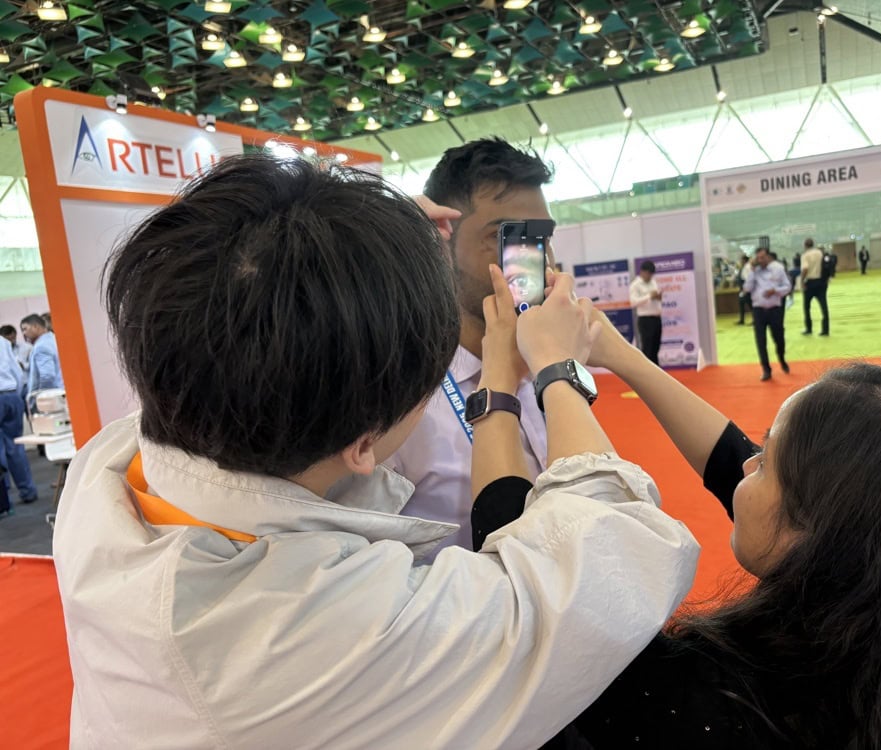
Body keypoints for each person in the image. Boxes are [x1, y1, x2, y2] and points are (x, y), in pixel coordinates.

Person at [53, 155, 700, 749]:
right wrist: (558, 366)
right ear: (366, 444)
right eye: (500, 235)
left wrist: (356, 249)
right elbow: (616, 554)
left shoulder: (110, 465)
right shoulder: (328, 632)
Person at [473, 310, 881, 747]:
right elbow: (737, 465)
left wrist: (515, 373)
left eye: (766, 461)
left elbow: (542, 578)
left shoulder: (711, 703)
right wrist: (619, 354)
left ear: (819, 542)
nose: (748, 463)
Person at [387, 138, 555, 555]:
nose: (535, 261)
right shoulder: (401, 398)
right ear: (442, 241)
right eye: (506, 236)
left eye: (540, 238)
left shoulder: (549, 366)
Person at [743, 247, 791, 381]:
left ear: (768, 257)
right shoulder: (752, 271)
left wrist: (775, 290)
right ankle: (766, 369)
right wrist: (752, 271)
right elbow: (747, 288)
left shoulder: (778, 268)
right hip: (758, 310)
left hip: (774, 309)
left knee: (779, 338)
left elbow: (787, 287)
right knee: (760, 341)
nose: (760, 260)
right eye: (758, 258)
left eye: (762, 257)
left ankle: (782, 359)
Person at [1, 336, 37, 510]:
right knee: (15, 445)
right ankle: (27, 491)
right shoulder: (3, 341)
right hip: (11, 394)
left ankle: (4, 499)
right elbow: (16, 371)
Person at [20, 313, 63, 395]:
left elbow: (47, 376)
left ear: (35, 326)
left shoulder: (41, 346)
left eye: (25, 329)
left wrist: (40, 396)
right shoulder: (55, 339)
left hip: (51, 396)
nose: (24, 333)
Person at [630, 260, 662, 363]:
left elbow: (655, 296)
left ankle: (656, 369)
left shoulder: (653, 282)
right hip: (645, 319)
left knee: (656, 347)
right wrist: (649, 296)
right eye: (648, 274)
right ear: (642, 272)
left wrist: (658, 297)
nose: (650, 277)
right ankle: (647, 370)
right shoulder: (635, 285)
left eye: (652, 274)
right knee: (647, 348)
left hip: (657, 318)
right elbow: (633, 302)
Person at [799, 238, 829, 336]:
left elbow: (805, 269)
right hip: (821, 282)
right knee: (824, 306)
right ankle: (825, 329)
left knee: (807, 307)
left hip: (810, 283)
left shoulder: (805, 255)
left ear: (805, 245)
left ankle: (809, 328)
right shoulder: (820, 253)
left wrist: (802, 281)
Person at [733, 255, 751, 325]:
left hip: (745, 289)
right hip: (742, 289)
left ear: (744, 260)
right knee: (741, 303)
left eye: (741, 260)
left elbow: (747, 279)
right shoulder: (743, 267)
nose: (740, 261)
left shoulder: (747, 267)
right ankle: (742, 320)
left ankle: (755, 320)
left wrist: (745, 289)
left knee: (750, 304)